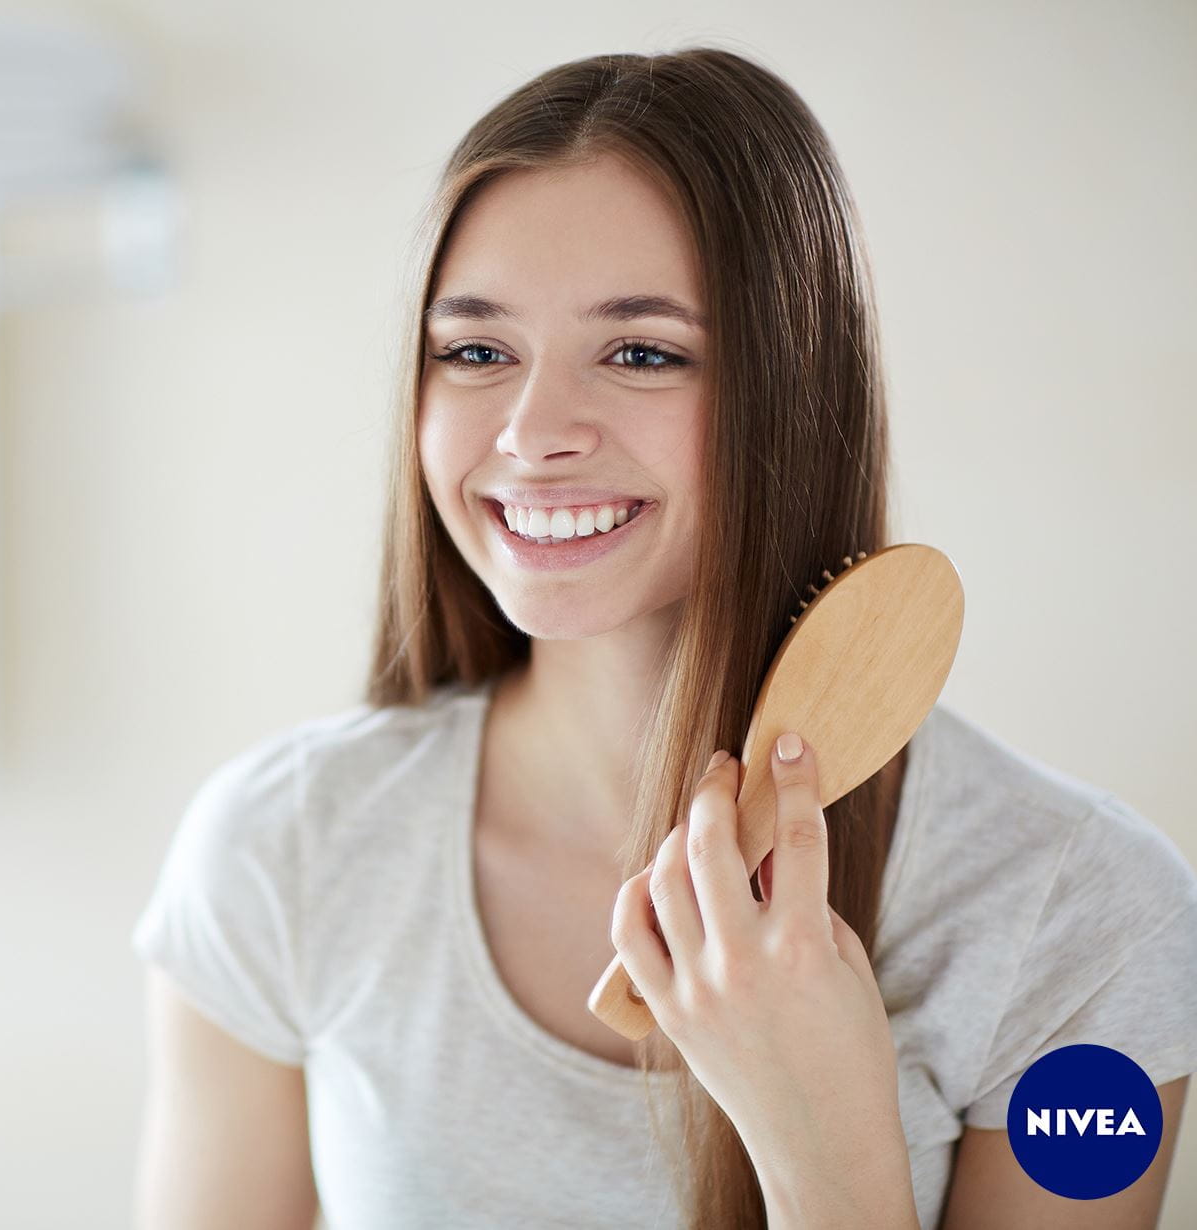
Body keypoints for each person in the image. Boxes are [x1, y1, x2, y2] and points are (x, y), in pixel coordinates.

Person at [130, 48, 1197, 1229]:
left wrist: (820, 1145)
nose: (532, 434)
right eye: (476, 351)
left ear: (791, 391)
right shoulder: (279, 850)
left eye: (641, 353)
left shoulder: (1088, 915)